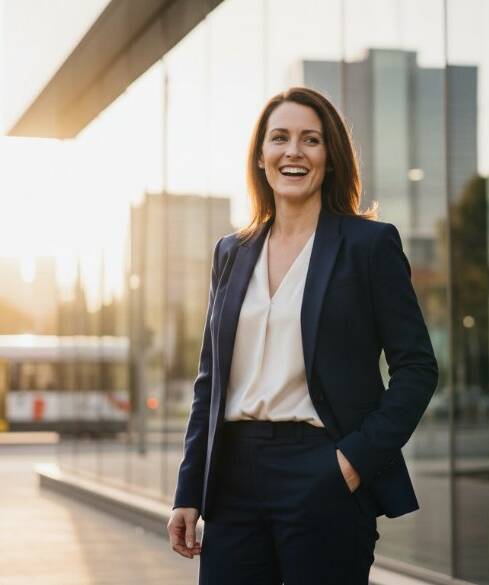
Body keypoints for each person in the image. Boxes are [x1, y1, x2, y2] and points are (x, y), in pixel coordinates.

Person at [167, 86, 438, 585]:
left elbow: (417, 367)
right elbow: (211, 381)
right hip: (232, 478)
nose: (293, 151)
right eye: (280, 138)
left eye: (310, 140)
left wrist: (353, 461)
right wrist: (189, 491)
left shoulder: (368, 245)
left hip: (322, 469)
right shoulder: (231, 251)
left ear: (329, 158)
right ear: (261, 157)